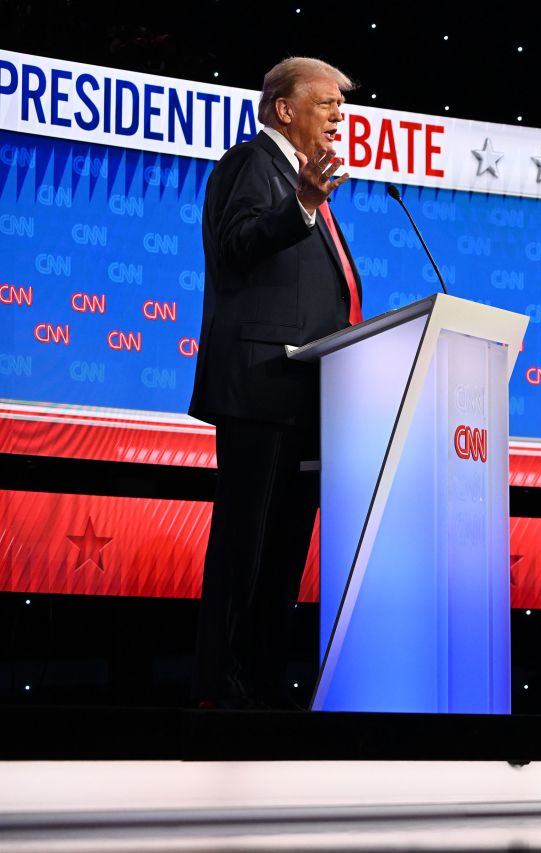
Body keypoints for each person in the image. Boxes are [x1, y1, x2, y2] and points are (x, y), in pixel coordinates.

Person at [188, 57, 363, 709]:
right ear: (284, 109)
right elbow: (234, 245)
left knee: (285, 552)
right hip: (260, 388)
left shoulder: (302, 182)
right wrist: (303, 206)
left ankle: (259, 690)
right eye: (325, 105)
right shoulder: (250, 165)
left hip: (309, 397)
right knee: (244, 545)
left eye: (340, 108)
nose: (338, 118)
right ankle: (216, 693)